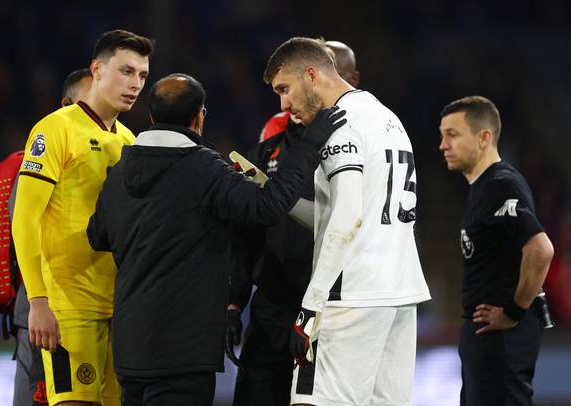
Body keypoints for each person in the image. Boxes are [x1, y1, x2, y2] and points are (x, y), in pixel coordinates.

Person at [86, 73, 346, 406]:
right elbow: (267, 208)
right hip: (183, 349)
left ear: (151, 117)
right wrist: (310, 144)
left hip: (129, 347)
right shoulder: (203, 168)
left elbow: (97, 235)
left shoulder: (120, 170)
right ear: (199, 116)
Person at [263, 37, 431, 406]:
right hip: (398, 292)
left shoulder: (339, 124)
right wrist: (274, 193)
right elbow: (345, 214)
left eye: (285, 89)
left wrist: (310, 306)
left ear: (311, 74)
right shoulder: (388, 118)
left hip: (351, 294)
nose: (284, 104)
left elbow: (348, 218)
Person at [11, 30, 154, 406]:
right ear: (97, 69)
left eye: (142, 75)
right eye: (126, 71)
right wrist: (39, 302)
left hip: (118, 307)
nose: (135, 84)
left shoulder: (129, 140)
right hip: (67, 306)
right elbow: (24, 218)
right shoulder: (55, 128)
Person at [227, 40, 360, 406]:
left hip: (329, 314)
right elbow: (246, 234)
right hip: (270, 310)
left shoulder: (359, 144)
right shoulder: (268, 150)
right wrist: (234, 303)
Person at [439, 95, 554, 406]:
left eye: (452, 134)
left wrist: (514, 312)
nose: (442, 145)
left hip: (502, 337)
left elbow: (540, 248)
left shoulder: (500, 185)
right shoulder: (484, 187)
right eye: (441, 135)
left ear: (484, 137)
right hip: (487, 338)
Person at [10, 68, 92, 406]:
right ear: (66, 105)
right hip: (44, 308)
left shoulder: (112, 145)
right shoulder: (43, 157)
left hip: (85, 305)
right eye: (87, 104)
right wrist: (38, 302)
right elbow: (24, 223)